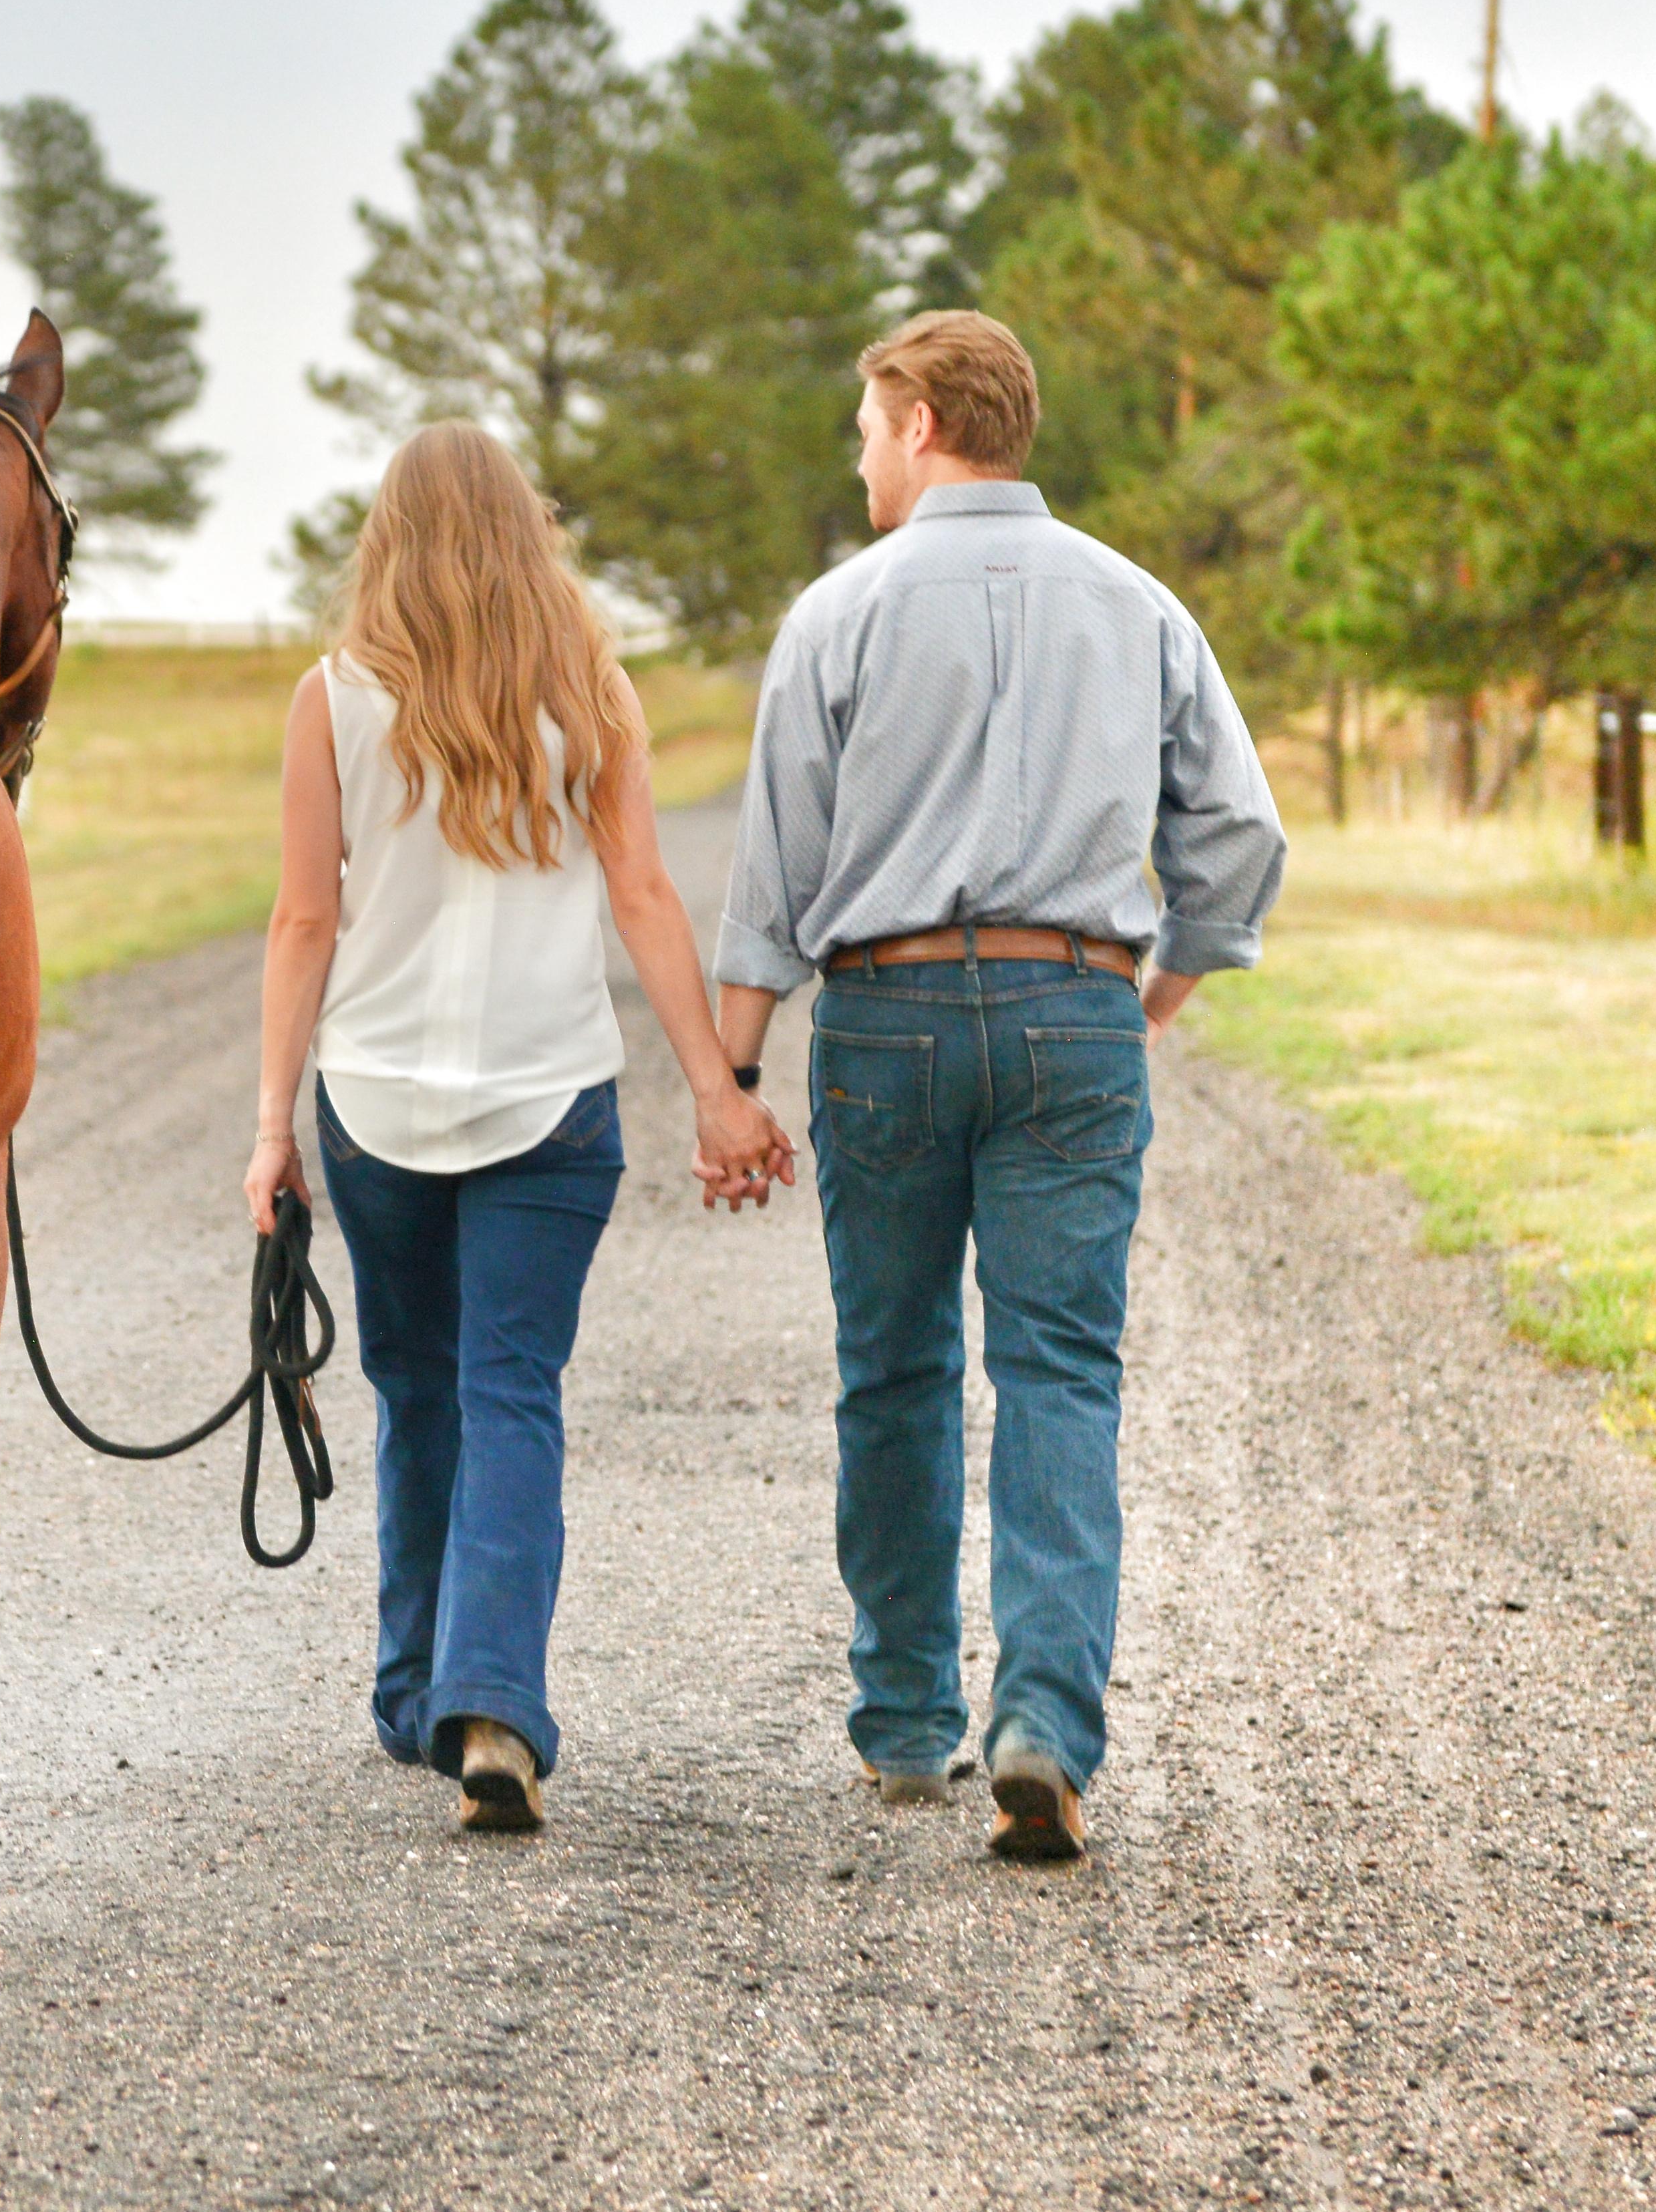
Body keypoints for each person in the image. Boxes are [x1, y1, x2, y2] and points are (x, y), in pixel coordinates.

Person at [709, 311, 1285, 1864]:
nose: (858, 455)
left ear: (914, 421)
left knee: (891, 1366)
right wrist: (1150, 988)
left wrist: (736, 1067)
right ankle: (1039, 1722)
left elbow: (772, 872)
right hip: (1072, 1009)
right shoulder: (1136, 601)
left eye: (862, 427)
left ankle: (903, 1718)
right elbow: (1235, 833)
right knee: (1057, 1368)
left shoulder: (836, 613)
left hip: (886, 1014)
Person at [244, 424, 792, 1835]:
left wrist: (269, 1128)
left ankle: (413, 1679)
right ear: (525, 531)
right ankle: (483, 1701)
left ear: (388, 540)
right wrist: (714, 1090)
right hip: (546, 1097)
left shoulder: (331, 696)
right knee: (507, 1388)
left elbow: (305, 914)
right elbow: (645, 896)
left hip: (373, 1101)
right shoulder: (587, 687)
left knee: (416, 1384)